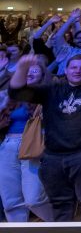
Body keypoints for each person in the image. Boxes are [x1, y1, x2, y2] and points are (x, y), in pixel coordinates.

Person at [9, 52, 81, 221]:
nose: (77, 71)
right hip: (54, 155)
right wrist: (22, 68)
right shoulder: (53, 87)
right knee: (60, 204)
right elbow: (17, 93)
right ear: (65, 70)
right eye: (73, 67)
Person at [0, 56, 53, 222]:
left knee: (34, 199)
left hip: (32, 146)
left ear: (42, 75)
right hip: (7, 145)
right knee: (10, 201)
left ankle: (59, 224)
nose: (30, 72)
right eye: (26, 70)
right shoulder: (9, 96)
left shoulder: (47, 95)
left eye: (35, 70)